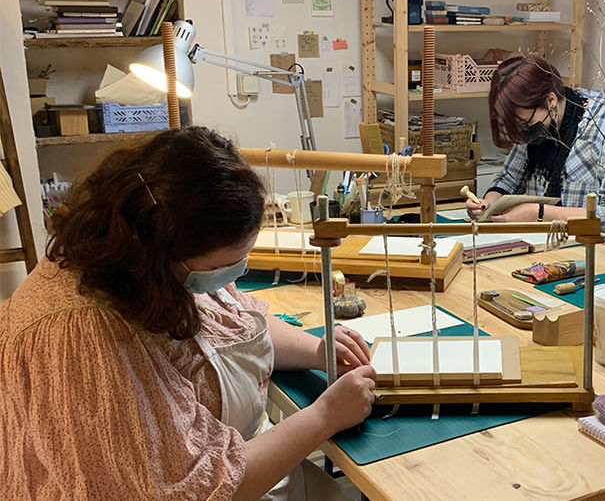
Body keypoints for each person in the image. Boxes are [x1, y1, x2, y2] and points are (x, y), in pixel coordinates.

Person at [0, 127, 375, 499]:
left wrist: (315, 351)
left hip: (257, 467)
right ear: (162, 252)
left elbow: (231, 319)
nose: (236, 273)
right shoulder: (82, 339)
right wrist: (324, 416)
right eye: (225, 265)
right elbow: (196, 488)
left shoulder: (143, 267)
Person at [465, 54, 605, 247]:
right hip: (540, 247)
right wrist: (488, 203)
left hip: (599, 256)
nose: (523, 132)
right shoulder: (537, 122)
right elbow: (510, 179)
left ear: (550, 100)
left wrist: (539, 213)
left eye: (524, 124)